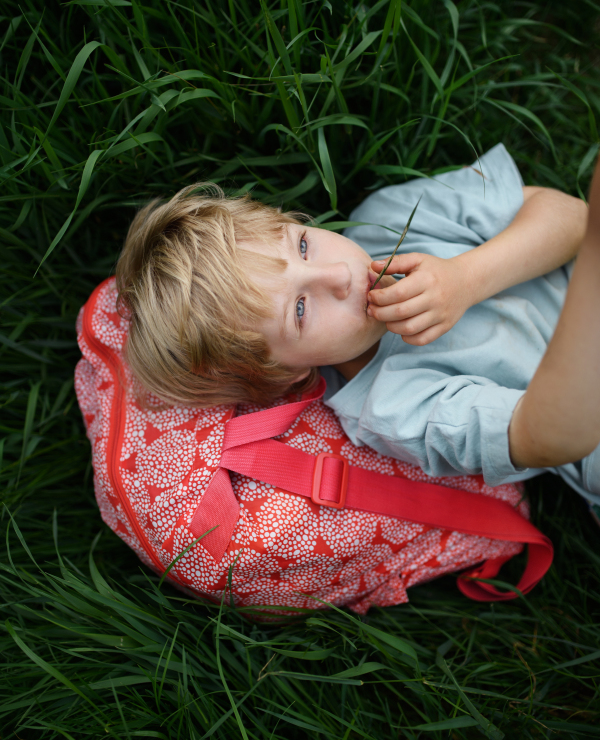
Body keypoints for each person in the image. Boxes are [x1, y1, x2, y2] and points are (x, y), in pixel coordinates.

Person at [116, 143, 600, 504]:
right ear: (285, 373)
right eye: (301, 309)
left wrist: (467, 277)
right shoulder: (391, 407)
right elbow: (554, 438)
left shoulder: (389, 220)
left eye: (303, 246)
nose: (340, 275)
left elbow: (571, 216)